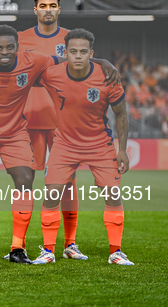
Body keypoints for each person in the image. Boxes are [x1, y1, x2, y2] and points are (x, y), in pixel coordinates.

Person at [0, 25, 119, 264]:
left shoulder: (34, 61)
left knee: (25, 180)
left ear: (17, 48)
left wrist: (105, 62)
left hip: (15, 132)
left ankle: (17, 248)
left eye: (10, 47)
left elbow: (72, 58)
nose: (4, 52)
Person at [31, 28, 133, 265]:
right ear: (65, 52)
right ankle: (48, 251)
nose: (78, 56)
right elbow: (24, 73)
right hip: (64, 144)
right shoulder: (52, 74)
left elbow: (122, 115)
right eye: (73, 51)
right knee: (52, 194)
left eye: (83, 52)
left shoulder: (107, 77)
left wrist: (122, 150)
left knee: (113, 194)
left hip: (100, 144)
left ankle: (116, 252)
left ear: (91, 54)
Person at [15, 0, 85, 260]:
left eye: (52, 5)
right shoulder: (21, 40)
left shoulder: (71, 40)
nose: (47, 9)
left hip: (63, 122)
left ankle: (69, 244)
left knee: (68, 182)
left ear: (59, 9)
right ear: (35, 9)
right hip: (27, 120)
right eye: (42, 5)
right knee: (24, 181)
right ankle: (18, 245)